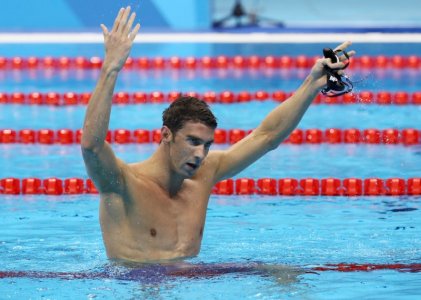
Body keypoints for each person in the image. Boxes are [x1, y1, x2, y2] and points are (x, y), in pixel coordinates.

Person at [81, 6, 355, 263]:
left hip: (194, 283)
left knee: (283, 273)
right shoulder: (122, 184)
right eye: (193, 141)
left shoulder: (205, 174)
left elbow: (266, 136)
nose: (201, 154)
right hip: (133, 287)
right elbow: (92, 146)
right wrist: (111, 68)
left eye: (207, 145)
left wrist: (312, 84)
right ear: (166, 134)